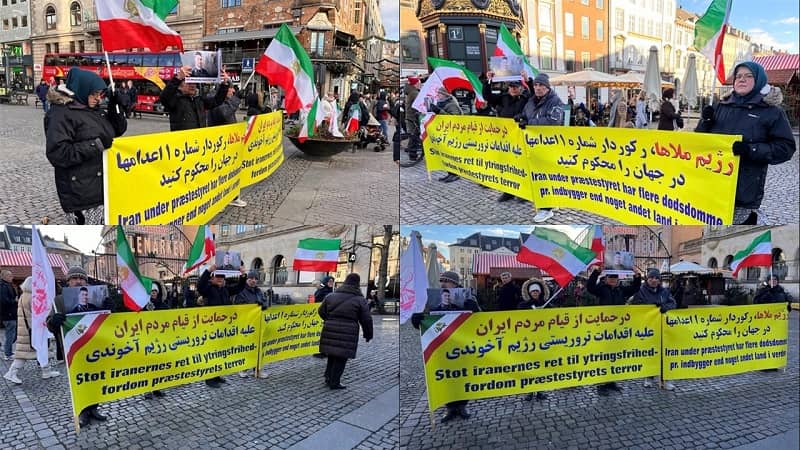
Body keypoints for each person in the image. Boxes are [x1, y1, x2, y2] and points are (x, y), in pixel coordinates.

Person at [695, 61, 795, 224]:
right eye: (738, 76)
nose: (742, 79)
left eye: (749, 76)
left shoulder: (771, 111)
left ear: (759, 81)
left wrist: (751, 150)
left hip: (744, 191)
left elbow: (786, 148)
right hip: (713, 186)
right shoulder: (722, 106)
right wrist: (705, 121)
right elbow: (700, 143)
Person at [45, 67, 128, 224]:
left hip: (101, 187)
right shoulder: (60, 114)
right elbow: (58, 153)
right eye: (93, 93)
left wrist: (115, 108)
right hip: (81, 193)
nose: (98, 98)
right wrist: (95, 145)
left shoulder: (92, 109)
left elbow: (117, 130)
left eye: (100, 94)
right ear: (81, 90)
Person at [47, 266, 110, 427]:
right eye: (74, 278)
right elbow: (50, 323)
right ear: (68, 282)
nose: (78, 281)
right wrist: (54, 322)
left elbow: (108, 321)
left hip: (95, 347)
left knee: (95, 379)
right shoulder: (59, 300)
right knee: (79, 380)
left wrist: (110, 307)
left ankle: (94, 407)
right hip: (74, 347)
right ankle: (82, 412)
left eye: (81, 278)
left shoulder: (96, 298)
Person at [586, 267, 642, 395]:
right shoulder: (601, 289)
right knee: (603, 357)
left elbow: (635, 288)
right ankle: (601, 385)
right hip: (604, 329)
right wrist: (596, 272)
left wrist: (637, 275)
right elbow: (590, 287)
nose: (613, 280)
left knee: (614, 356)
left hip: (617, 329)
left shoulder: (621, 290)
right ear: (606, 279)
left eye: (615, 278)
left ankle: (611, 382)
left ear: (618, 280)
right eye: (610, 278)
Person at [517, 73, 564, 223]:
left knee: (546, 176)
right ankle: (551, 203)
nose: (538, 88)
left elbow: (554, 121)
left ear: (547, 87)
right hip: (533, 145)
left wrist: (529, 122)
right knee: (537, 175)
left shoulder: (556, 102)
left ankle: (546, 209)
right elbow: (525, 114)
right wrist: (521, 118)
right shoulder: (531, 101)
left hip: (549, 145)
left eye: (541, 85)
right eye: (536, 85)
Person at [435, 270, 479, 422]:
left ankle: (462, 406)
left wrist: (473, 308)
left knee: (461, 376)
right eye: (441, 281)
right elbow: (427, 318)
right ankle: (450, 408)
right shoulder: (435, 299)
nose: (442, 284)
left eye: (445, 281)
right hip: (443, 344)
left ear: (454, 283)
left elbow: (480, 318)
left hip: (462, 343)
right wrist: (418, 318)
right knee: (447, 377)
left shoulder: (467, 295)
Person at [317, 273, 373, 390]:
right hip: (348, 331)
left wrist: (329, 320)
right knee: (341, 357)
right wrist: (368, 334)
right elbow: (366, 319)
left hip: (330, 328)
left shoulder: (331, 296)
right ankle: (334, 382)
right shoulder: (360, 300)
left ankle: (328, 377)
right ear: (357, 284)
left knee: (332, 354)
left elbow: (321, 311)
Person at [3, 277, 61, 385]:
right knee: (25, 354)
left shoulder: (24, 295)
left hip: (28, 329)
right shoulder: (31, 297)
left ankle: (46, 371)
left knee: (41, 350)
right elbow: (38, 313)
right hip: (32, 330)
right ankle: (11, 373)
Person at [197, 264, 247, 388]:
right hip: (212, 327)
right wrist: (209, 271)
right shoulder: (208, 289)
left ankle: (217, 375)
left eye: (222, 277)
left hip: (224, 328)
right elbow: (200, 286)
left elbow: (239, 287)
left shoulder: (225, 289)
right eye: (217, 277)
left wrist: (243, 275)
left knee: (220, 352)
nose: (220, 279)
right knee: (212, 352)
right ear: (212, 278)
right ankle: (210, 379)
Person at [484, 72, 531, 202]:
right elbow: (488, 97)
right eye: (511, 87)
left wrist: (528, 80)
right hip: (505, 137)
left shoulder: (526, 97)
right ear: (508, 87)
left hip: (520, 135)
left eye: (516, 87)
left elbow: (534, 96)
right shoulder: (503, 97)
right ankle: (508, 191)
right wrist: (489, 81)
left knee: (521, 165)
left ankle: (524, 192)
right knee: (507, 164)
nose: (514, 89)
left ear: (521, 87)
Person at [628, 268, 676, 390]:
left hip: (663, 328)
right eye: (651, 278)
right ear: (647, 279)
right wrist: (649, 308)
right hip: (647, 328)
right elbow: (634, 306)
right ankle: (648, 377)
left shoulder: (665, 291)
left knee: (664, 354)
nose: (654, 280)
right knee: (650, 353)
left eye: (656, 278)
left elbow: (673, 303)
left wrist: (665, 307)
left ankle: (666, 379)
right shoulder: (641, 291)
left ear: (659, 280)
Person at [159, 65, 229, 131]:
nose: (193, 85)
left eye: (195, 82)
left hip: (199, 140)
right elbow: (164, 97)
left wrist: (224, 84)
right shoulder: (175, 100)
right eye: (189, 83)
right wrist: (177, 78)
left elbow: (217, 101)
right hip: (183, 141)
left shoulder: (199, 99)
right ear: (179, 86)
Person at [518, 278, 550, 401]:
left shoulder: (547, 304)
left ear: (540, 292)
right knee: (529, 366)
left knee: (540, 367)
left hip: (542, 340)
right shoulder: (523, 305)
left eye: (537, 291)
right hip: (529, 341)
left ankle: (540, 390)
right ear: (530, 293)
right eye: (533, 291)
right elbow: (518, 318)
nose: (535, 293)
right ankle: (529, 391)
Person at [430, 87, 463, 184]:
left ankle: (455, 174)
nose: (438, 95)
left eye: (439, 94)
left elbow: (453, 120)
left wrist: (439, 111)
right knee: (447, 154)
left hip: (453, 135)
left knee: (452, 154)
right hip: (445, 133)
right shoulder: (442, 103)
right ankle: (450, 173)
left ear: (444, 94)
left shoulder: (451, 104)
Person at [144, 283, 168, 399]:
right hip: (148, 339)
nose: (153, 293)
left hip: (159, 339)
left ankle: (157, 388)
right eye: (151, 291)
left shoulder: (162, 305)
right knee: (148, 366)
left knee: (158, 366)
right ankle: (147, 390)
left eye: (155, 291)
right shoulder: (144, 305)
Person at [1, 270, 18, 361]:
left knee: (12, 334)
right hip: (8, 314)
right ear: (3, 276)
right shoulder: (3, 286)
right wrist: (14, 301)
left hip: (10, 313)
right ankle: (8, 353)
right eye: (9, 275)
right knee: (10, 334)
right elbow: (4, 300)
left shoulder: (7, 285)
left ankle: (8, 351)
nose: (11, 277)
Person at [404, 77, 423, 161]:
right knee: (414, 136)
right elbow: (420, 104)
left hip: (410, 116)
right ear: (416, 84)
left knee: (413, 135)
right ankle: (412, 154)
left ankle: (411, 152)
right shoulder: (415, 93)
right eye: (419, 83)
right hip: (413, 117)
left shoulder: (411, 92)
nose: (420, 85)